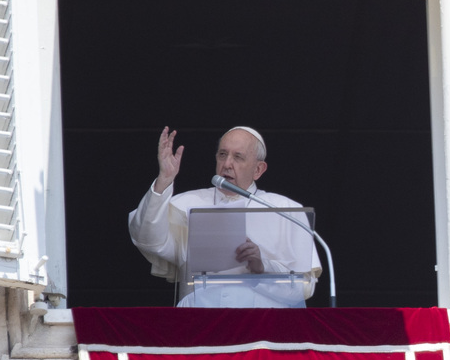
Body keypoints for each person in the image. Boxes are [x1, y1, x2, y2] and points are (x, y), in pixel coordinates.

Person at [129, 126, 323, 307]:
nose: (227, 164)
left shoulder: (285, 210)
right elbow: (148, 240)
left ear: (258, 169)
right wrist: (164, 179)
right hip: (198, 326)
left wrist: (262, 266)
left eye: (238, 157)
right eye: (223, 155)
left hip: (260, 330)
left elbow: (305, 287)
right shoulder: (189, 203)